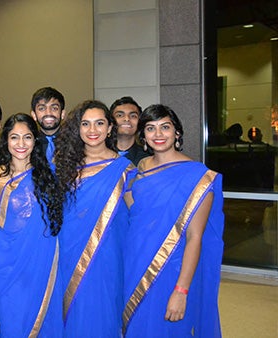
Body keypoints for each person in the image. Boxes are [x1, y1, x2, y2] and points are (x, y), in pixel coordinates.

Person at [122, 104, 224, 337]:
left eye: (165, 127)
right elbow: (136, 209)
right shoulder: (141, 168)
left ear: (177, 133)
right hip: (134, 262)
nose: (158, 135)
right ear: (143, 136)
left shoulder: (199, 177)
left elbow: (195, 238)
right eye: (150, 128)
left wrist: (181, 290)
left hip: (170, 269)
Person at [54, 100, 133, 337]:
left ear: (110, 128)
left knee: (101, 311)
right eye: (85, 124)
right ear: (77, 129)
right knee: (69, 313)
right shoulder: (63, 166)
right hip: (66, 251)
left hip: (106, 256)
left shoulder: (125, 170)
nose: (92, 130)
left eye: (99, 123)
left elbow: (136, 217)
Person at [0, 113, 64, 337]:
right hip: (6, 261)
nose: (21, 144)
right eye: (14, 137)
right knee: (11, 320)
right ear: (6, 141)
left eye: (27, 137)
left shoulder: (51, 174)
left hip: (42, 258)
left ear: (35, 141)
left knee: (45, 317)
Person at [30, 87, 66, 164]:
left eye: (54, 108)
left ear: (62, 114)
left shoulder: (74, 142)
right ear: (34, 115)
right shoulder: (29, 144)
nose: (48, 113)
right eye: (42, 108)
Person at [110, 96, 149, 165]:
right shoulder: (98, 154)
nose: (127, 119)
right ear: (111, 122)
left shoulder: (147, 158)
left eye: (133, 116)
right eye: (120, 115)